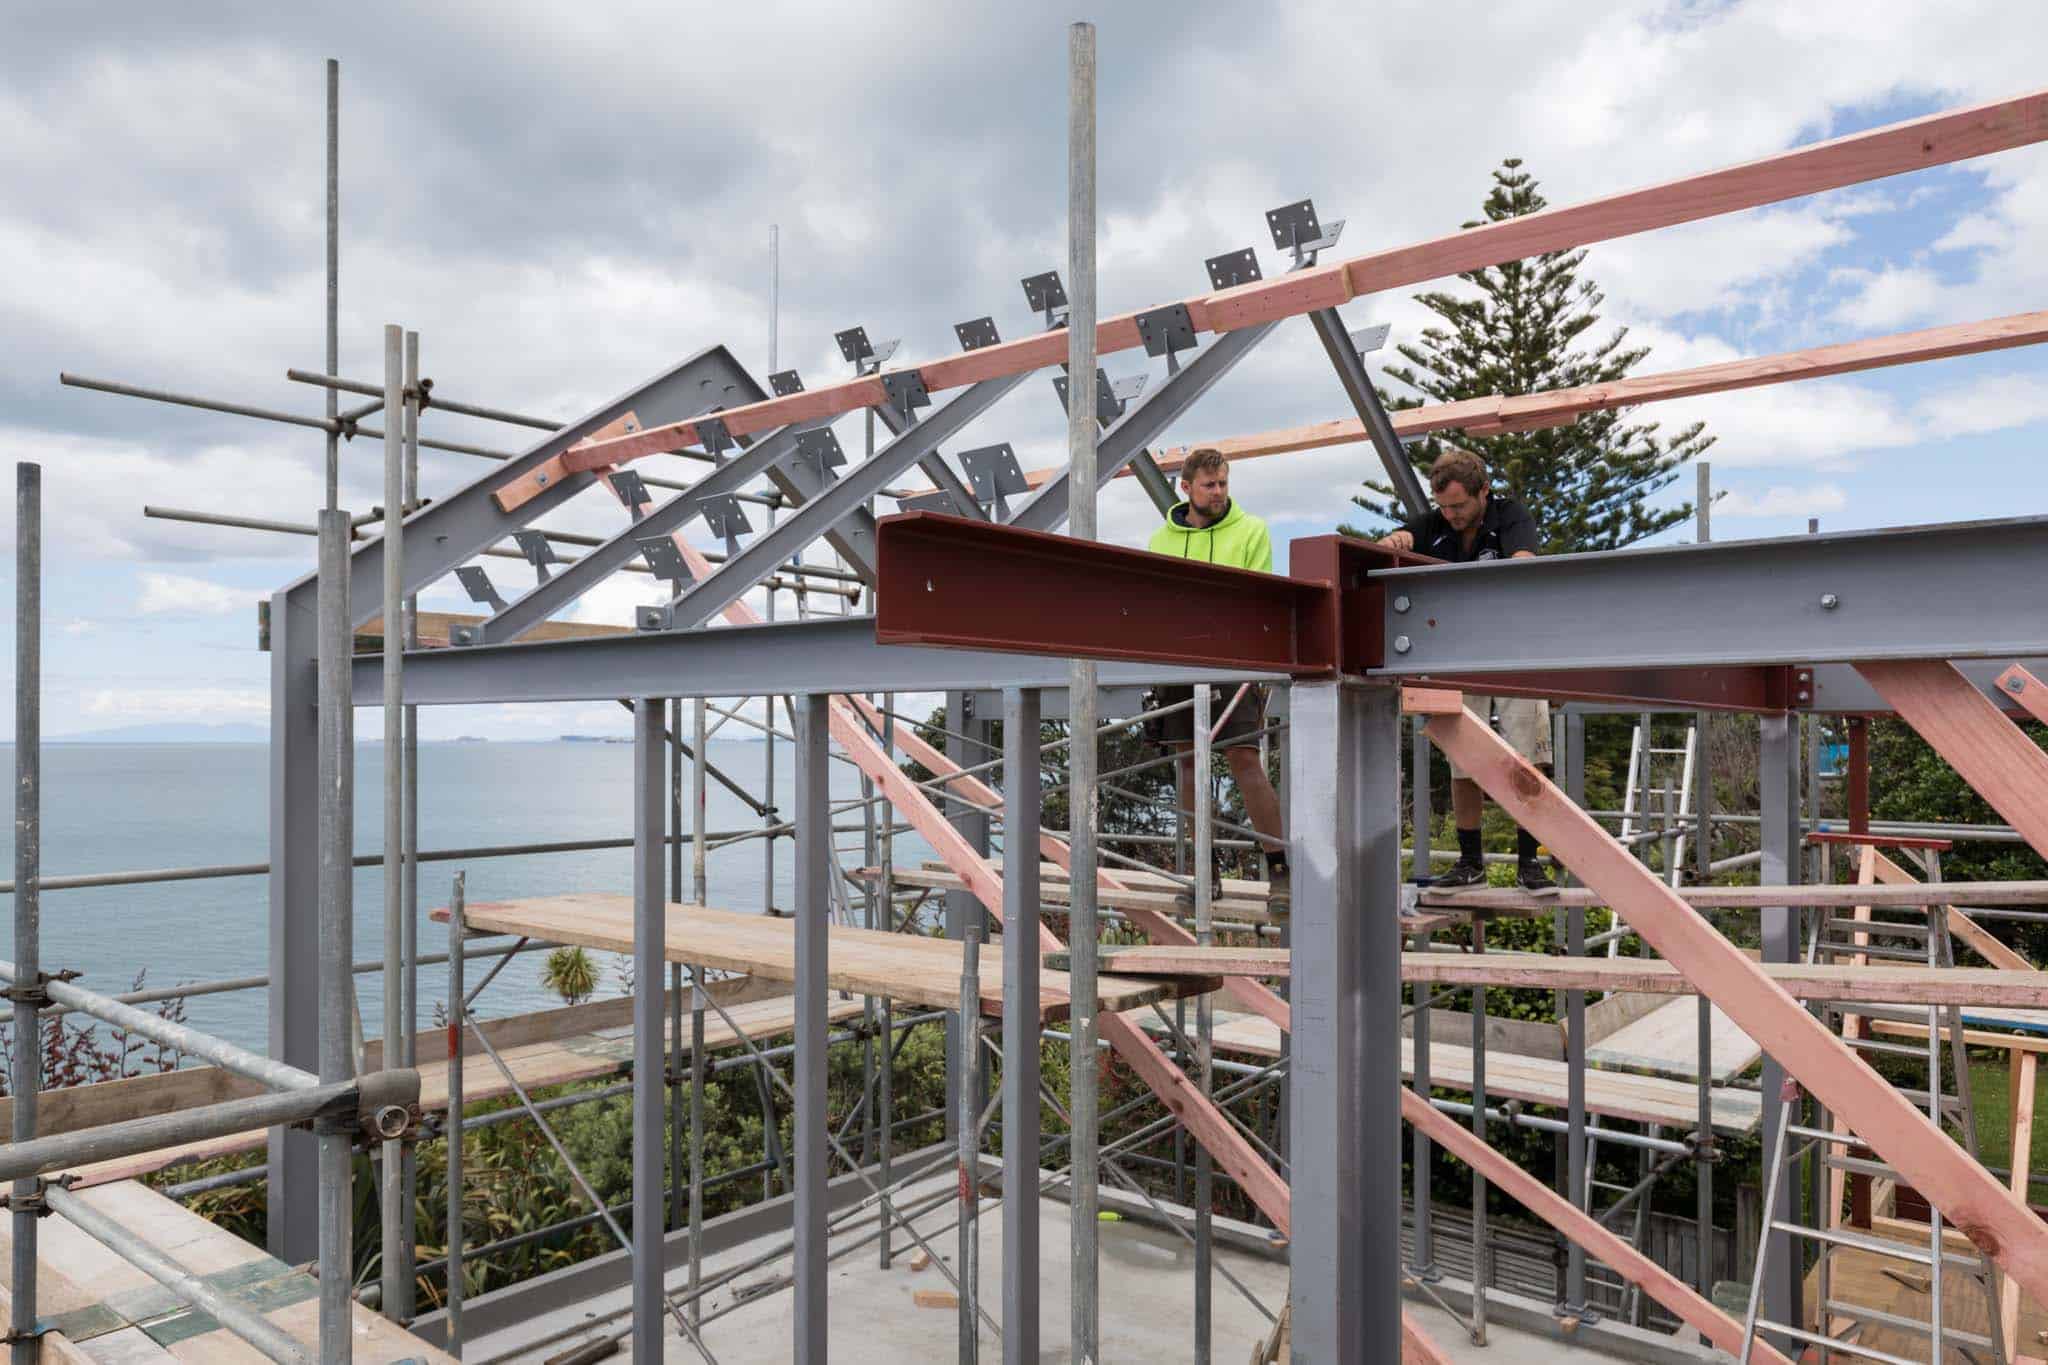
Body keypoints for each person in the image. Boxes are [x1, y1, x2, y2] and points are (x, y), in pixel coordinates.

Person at [1379, 447, 1555, 891]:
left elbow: (1524, 563)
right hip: (1457, 654)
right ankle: (1470, 861)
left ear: (1484, 492)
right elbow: (1389, 546)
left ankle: (1529, 862)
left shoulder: (1510, 515)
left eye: (1459, 505)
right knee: (1462, 757)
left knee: (1528, 754)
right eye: (1444, 506)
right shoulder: (1434, 524)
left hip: (1516, 650)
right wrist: (1396, 539)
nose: (1451, 514)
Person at [1143, 448, 1290, 906]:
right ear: (1185, 488)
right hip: (1179, 659)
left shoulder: (1252, 530)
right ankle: (1203, 873)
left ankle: (1280, 869)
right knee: (1188, 762)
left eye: (1223, 483)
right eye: (1210, 485)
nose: (1219, 492)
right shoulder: (1161, 539)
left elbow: (1257, 594)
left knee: (1244, 758)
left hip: (1232, 659)